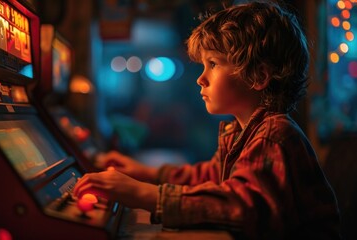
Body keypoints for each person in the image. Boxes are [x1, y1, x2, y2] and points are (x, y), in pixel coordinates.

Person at [73, 1, 341, 239]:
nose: (201, 78)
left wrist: (146, 195)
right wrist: (146, 174)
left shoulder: (273, 133)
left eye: (213, 64)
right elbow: (210, 176)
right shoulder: (242, 131)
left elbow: (243, 207)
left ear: (259, 76)